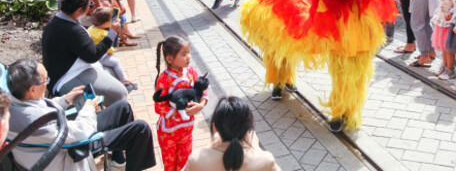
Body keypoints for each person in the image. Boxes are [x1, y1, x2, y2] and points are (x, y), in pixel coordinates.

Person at [6, 59, 156, 171]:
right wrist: (89, 108)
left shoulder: (12, 103)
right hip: (71, 153)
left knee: (123, 107)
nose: (47, 83)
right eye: (45, 80)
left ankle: (117, 162)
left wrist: (64, 100)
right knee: (140, 129)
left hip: (57, 141)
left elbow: (41, 107)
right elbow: (79, 134)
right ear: (32, 89)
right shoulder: (34, 120)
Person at [183, 97, 281, 171]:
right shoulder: (265, 160)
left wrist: (209, 147)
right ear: (250, 125)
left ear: (215, 128)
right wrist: (255, 148)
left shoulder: (196, 160)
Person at [154, 36, 208, 171]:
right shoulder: (164, 79)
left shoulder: (191, 72)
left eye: (188, 52)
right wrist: (177, 111)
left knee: (185, 164)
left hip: (186, 130)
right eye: (184, 54)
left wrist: (201, 105)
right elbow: (159, 106)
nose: (188, 57)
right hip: (168, 133)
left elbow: (203, 92)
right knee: (170, 165)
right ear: (170, 59)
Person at [88, 7, 137, 92]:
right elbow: (108, 48)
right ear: (105, 23)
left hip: (94, 54)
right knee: (116, 62)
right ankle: (124, 80)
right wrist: (112, 51)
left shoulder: (90, 28)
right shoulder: (104, 34)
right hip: (101, 57)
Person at [431, 0, 456, 79]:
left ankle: (450, 69)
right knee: (443, 47)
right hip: (440, 22)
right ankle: (445, 65)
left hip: (448, 24)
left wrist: (451, 13)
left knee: (448, 48)